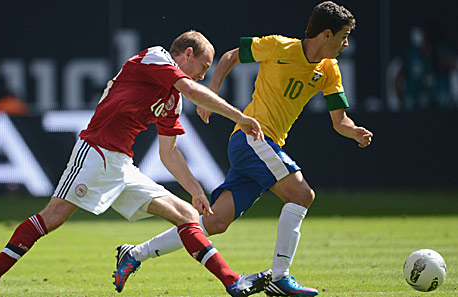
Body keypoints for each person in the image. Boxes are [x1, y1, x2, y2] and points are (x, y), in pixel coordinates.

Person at [0, 30, 272, 297]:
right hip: (96, 151)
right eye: (203, 66)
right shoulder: (156, 57)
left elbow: (169, 152)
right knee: (54, 217)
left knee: (188, 215)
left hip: (123, 165)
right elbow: (192, 90)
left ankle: (233, 283)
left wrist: (195, 190)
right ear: (188, 54)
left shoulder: (172, 100)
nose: (203, 75)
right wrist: (239, 117)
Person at [116, 2, 373, 297]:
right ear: (326, 34)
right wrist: (210, 94)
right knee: (302, 195)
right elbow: (229, 57)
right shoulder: (279, 47)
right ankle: (280, 277)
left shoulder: (330, 70)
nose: (346, 43)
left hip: (265, 146)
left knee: (214, 221)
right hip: (253, 138)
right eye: (343, 36)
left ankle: (135, 254)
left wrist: (353, 132)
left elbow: (340, 121)